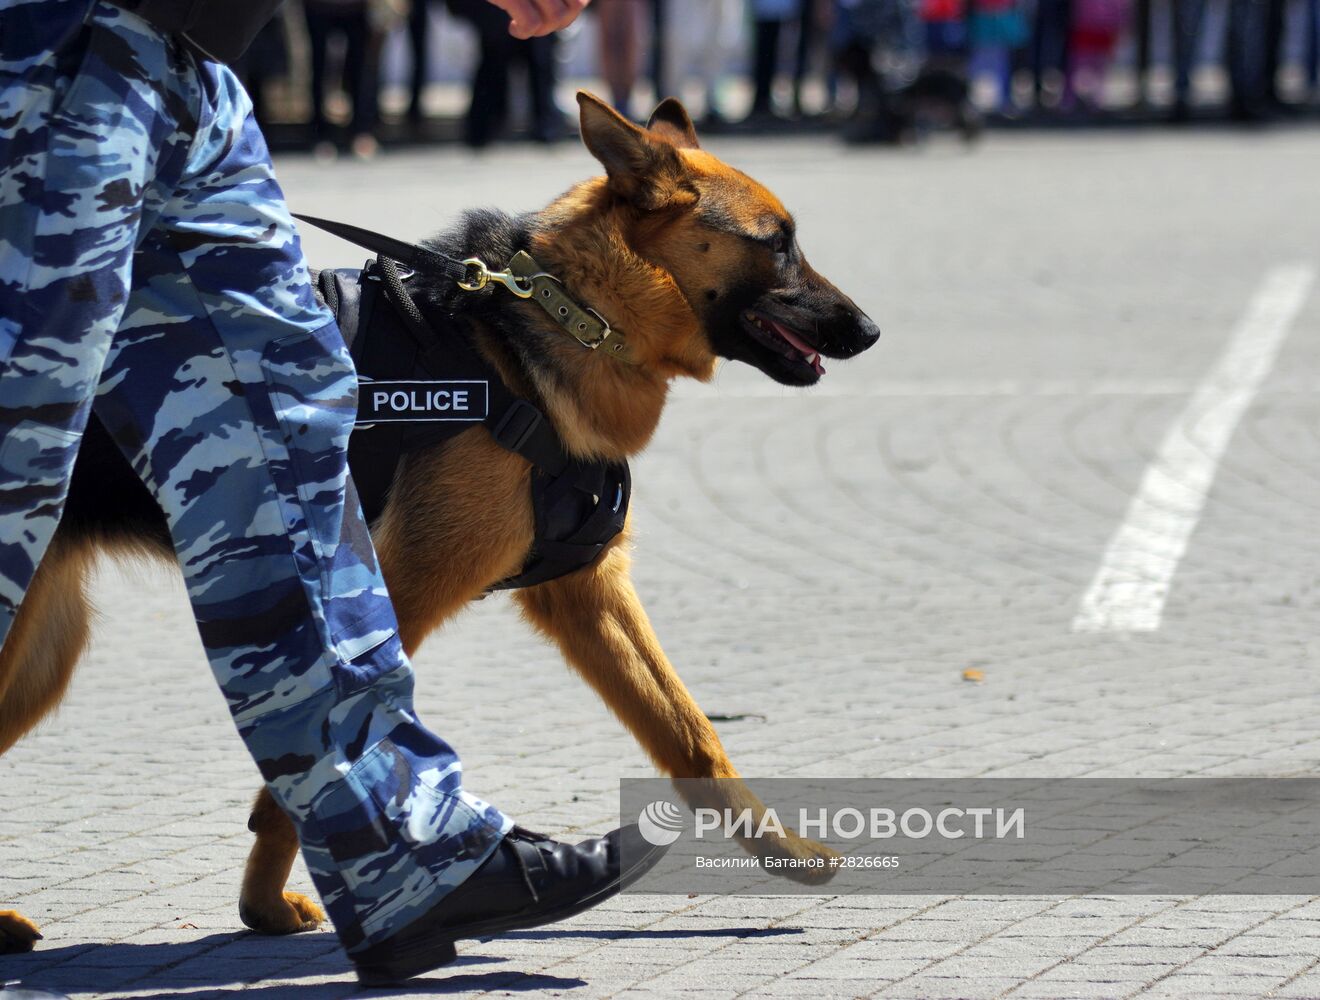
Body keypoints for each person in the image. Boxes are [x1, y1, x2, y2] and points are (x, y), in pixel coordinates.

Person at [0, 0, 663, 984]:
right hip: (42, 50)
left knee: (283, 418)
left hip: (180, 62)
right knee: (16, 458)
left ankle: (406, 849)